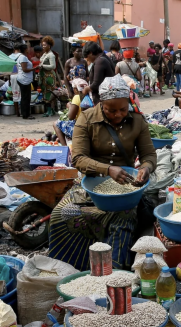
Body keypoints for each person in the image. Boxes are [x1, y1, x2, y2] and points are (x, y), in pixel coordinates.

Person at [49, 75, 157, 270]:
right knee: (61, 214)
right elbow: (78, 159)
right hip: (91, 184)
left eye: (123, 109)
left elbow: (149, 154)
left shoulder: (138, 121)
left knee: (122, 217)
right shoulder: (86, 119)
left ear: (129, 101)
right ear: (101, 104)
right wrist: (107, 169)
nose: (118, 115)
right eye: (111, 110)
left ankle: (114, 271)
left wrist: (145, 168)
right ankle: (68, 268)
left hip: (127, 188)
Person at [53, 79, 88, 146]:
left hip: (80, 129)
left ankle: (64, 147)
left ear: (76, 89)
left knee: (56, 124)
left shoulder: (77, 97)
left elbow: (71, 117)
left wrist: (69, 106)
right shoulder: (90, 96)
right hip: (89, 127)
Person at [12, 44, 35, 120]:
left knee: (25, 97)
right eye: (28, 48)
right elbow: (24, 69)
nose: (29, 49)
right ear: (25, 50)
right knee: (26, 98)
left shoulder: (23, 57)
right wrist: (35, 68)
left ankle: (25, 114)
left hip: (24, 79)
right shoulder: (23, 57)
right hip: (24, 80)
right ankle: (26, 115)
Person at [39, 36, 58, 117]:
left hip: (49, 77)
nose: (43, 47)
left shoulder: (51, 55)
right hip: (44, 76)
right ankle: (50, 110)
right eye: (42, 45)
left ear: (49, 45)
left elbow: (53, 66)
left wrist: (42, 66)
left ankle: (50, 111)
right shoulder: (45, 54)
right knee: (45, 92)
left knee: (49, 93)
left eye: (45, 45)